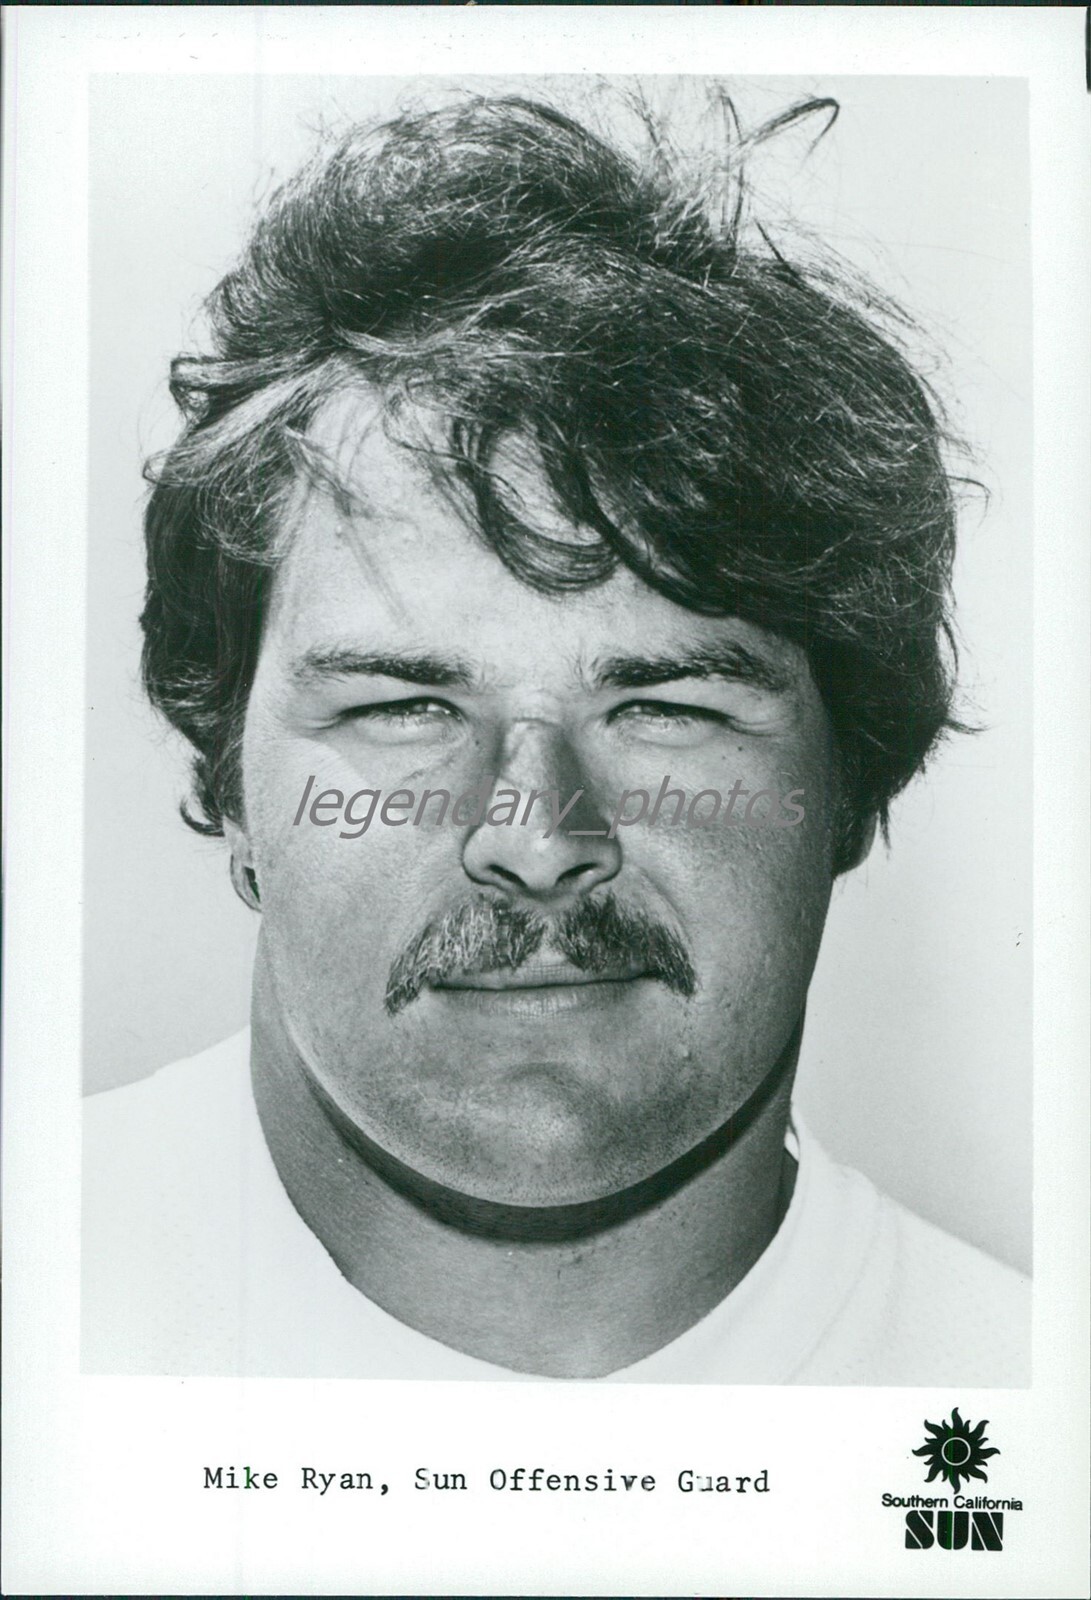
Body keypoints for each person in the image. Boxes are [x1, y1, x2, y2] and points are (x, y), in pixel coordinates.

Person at [82, 90, 1029, 1382]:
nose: (536, 841)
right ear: (234, 787)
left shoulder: (1032, 1409)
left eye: (667, 710)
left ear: (850, 786)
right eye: (403, 708)